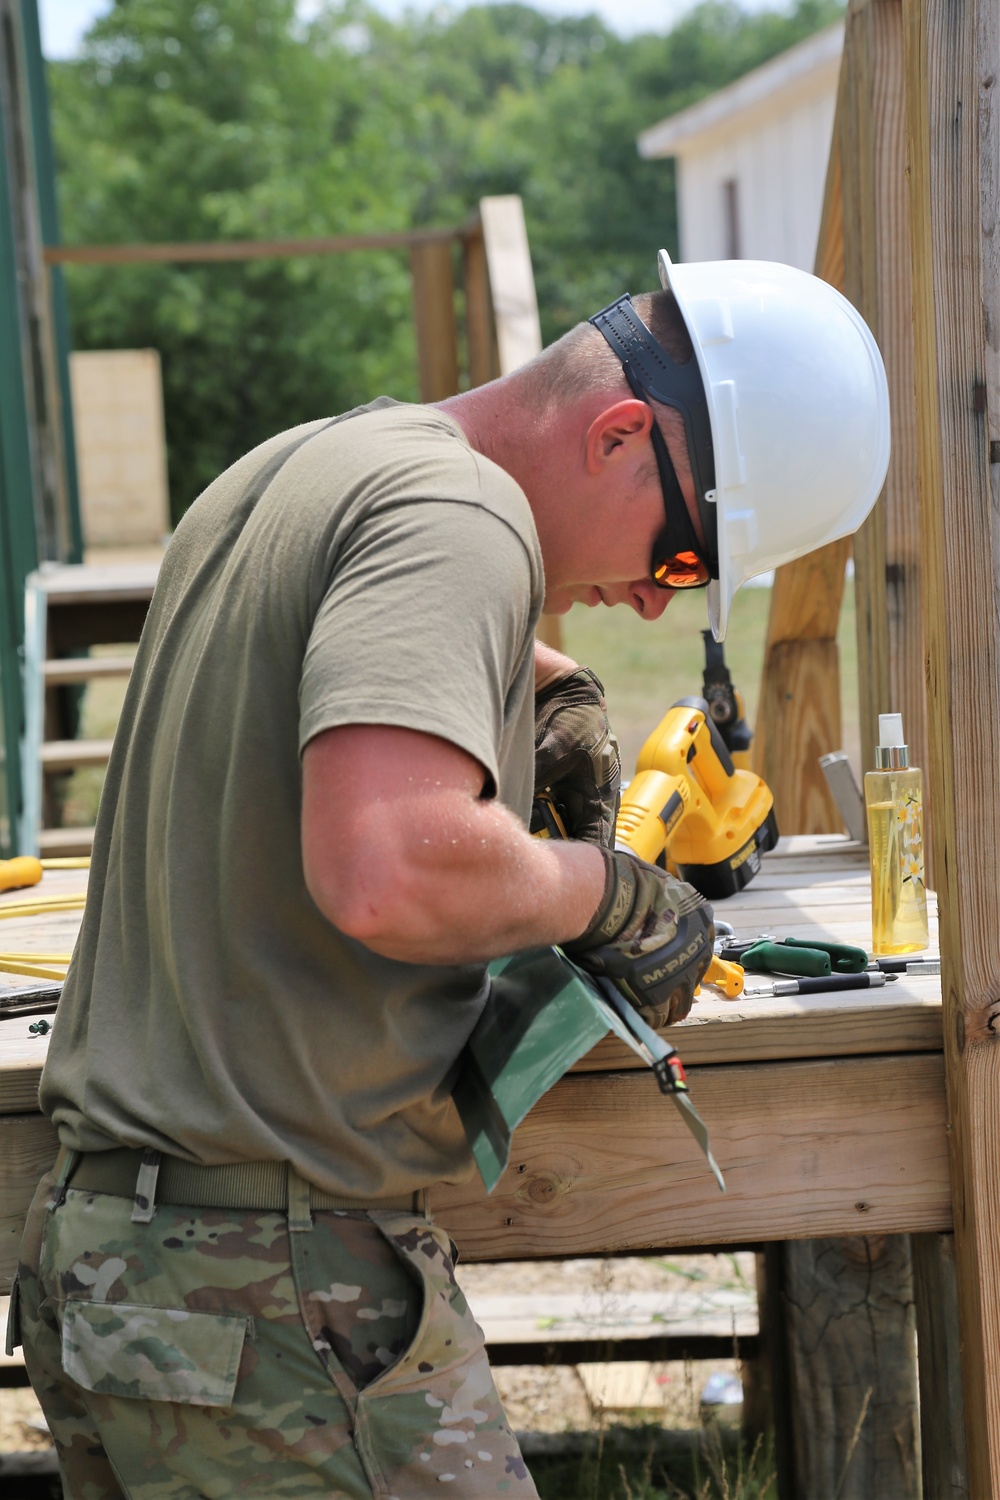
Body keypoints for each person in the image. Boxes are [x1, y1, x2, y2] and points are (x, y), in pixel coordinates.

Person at [11, 253, 889, 1499]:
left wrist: (542, 685)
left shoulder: (302, 465)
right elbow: (387, 865)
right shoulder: (458, 517)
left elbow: (337, 633)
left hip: (124, 1264)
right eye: (684, 555)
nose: (651, 604)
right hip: (270, 1291)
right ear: (622, 432)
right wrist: (605, 891)